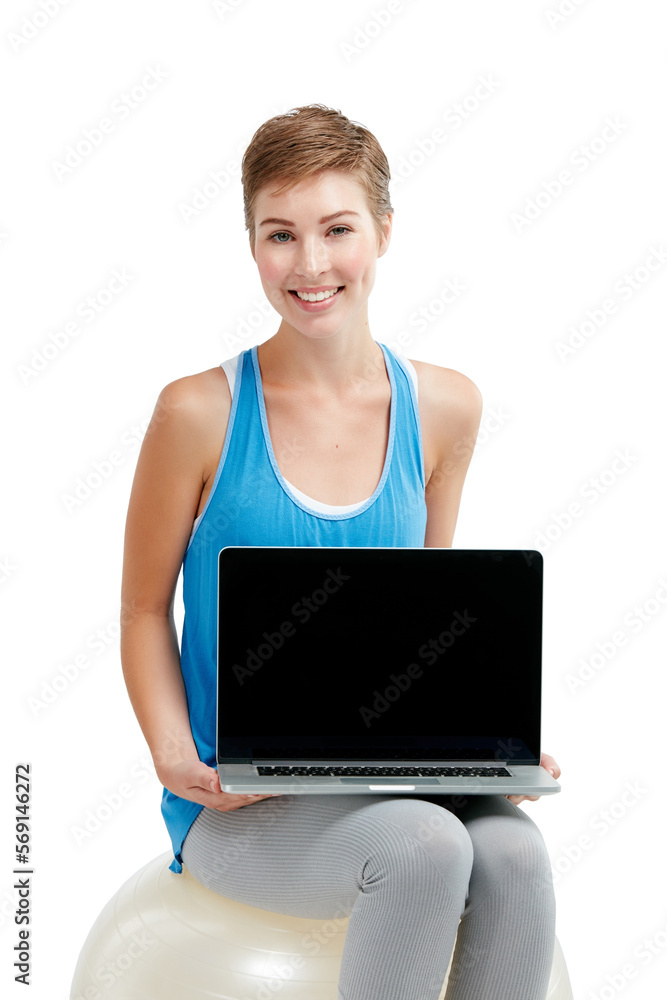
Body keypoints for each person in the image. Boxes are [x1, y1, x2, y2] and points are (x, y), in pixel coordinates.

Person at [120, 104, 560, 1000]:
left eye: (337, 229)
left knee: (514, 852)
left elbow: (429, 613)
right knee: (422, 847)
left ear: (383, 232)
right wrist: (172, 757)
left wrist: (481, 747)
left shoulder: (445, 408)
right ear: (252, 245)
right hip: (239, 801)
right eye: (280, 234)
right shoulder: (196, 412)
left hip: (384, 779)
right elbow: (140, 609)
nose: (310, 265)